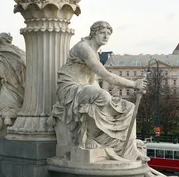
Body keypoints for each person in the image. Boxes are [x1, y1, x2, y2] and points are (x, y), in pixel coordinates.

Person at [50, 21, 147, 161]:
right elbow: (106, 75)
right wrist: (133, 84)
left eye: (108, 34)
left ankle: (130, 150)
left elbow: (93, 81)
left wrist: (112, 100)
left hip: (84, 89)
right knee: (103, 96)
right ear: (93, 33)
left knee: (129, 107)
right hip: (69, 88)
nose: (106, 36)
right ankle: (89, 138)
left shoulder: (95, 53)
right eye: (102, 33)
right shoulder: (83, 48)